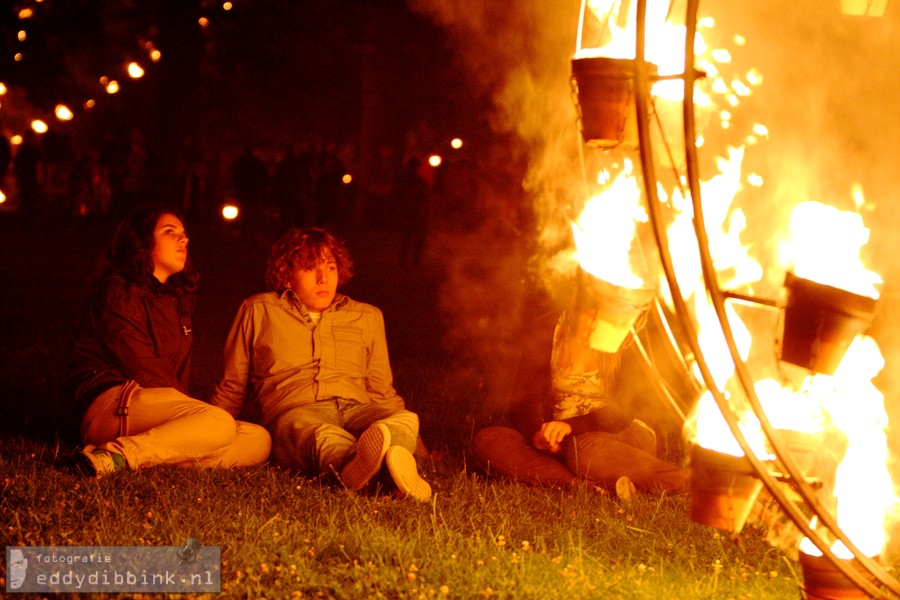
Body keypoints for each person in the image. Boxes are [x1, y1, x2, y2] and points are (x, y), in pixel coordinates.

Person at [210, 227, 431, 501]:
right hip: (295, 411)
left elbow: (382, 390)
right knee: (321, 435)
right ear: (286, 274)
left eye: (331, 267)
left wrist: (422, 449)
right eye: (309, 268)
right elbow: (233, 385)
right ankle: (372, 466)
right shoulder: (259, 310)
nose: (323, 278)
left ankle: (374, 466)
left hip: (355, 408)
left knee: (405, 419)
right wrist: (209, 432)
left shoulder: (367, 316)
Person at [65, 207, 272, 477]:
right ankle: (119, 454)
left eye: (184, 235)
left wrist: (192, 420)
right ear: (142, 242)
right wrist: (197, 414)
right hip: (111, 404)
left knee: (258, 438)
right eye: (170, 232)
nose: (184, 240)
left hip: (152, 405)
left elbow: (175, 378)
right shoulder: (119, 292)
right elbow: (142, 367)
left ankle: (142, 459)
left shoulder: (175, 301)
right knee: (219, 423)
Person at [471, 307, 690, 498]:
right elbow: (522, 399)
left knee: (585, 453)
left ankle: (682, 480)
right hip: (563, 441)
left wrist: (571, 427)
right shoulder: (548, 330)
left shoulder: (627, 336)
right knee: (489, 440)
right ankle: (582, 485)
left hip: (619, 434)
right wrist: (538, 434)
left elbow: (625, 410)